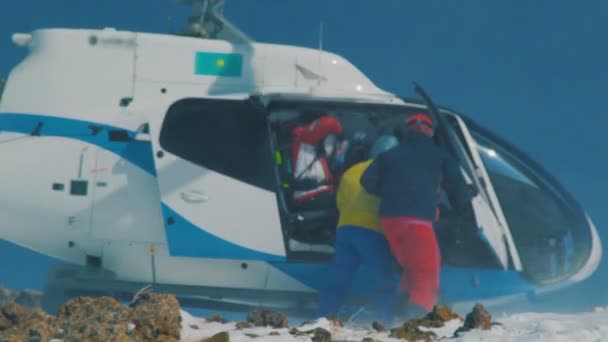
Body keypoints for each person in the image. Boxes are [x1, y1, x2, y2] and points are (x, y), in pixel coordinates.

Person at [360, 113, 472, 316]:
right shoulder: (440, 156)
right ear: (430, 131)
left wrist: (393, 193)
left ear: (408, 130)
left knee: (412, 269)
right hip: (418, 221)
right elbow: (459, 192)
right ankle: (415, 323)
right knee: (427, 273)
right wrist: (468, 197)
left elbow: (367, 182)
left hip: (390, 221)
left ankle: (399, 314)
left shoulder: (389, 155)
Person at [318, 135, 399, 323]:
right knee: (385, 279)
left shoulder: (352, 170)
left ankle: (323, 317)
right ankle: (385, 321)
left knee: (339, 279)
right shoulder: (391, 170)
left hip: (345, 230)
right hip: (372, 230)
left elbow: (340, 203)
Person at [290, 115, 345, 210]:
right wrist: (340, 131)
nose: (331, 145)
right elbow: (329, 124)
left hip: (322, 194)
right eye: (330, 140)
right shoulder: (304, 142)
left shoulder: (319, 153)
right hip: (308, 197)